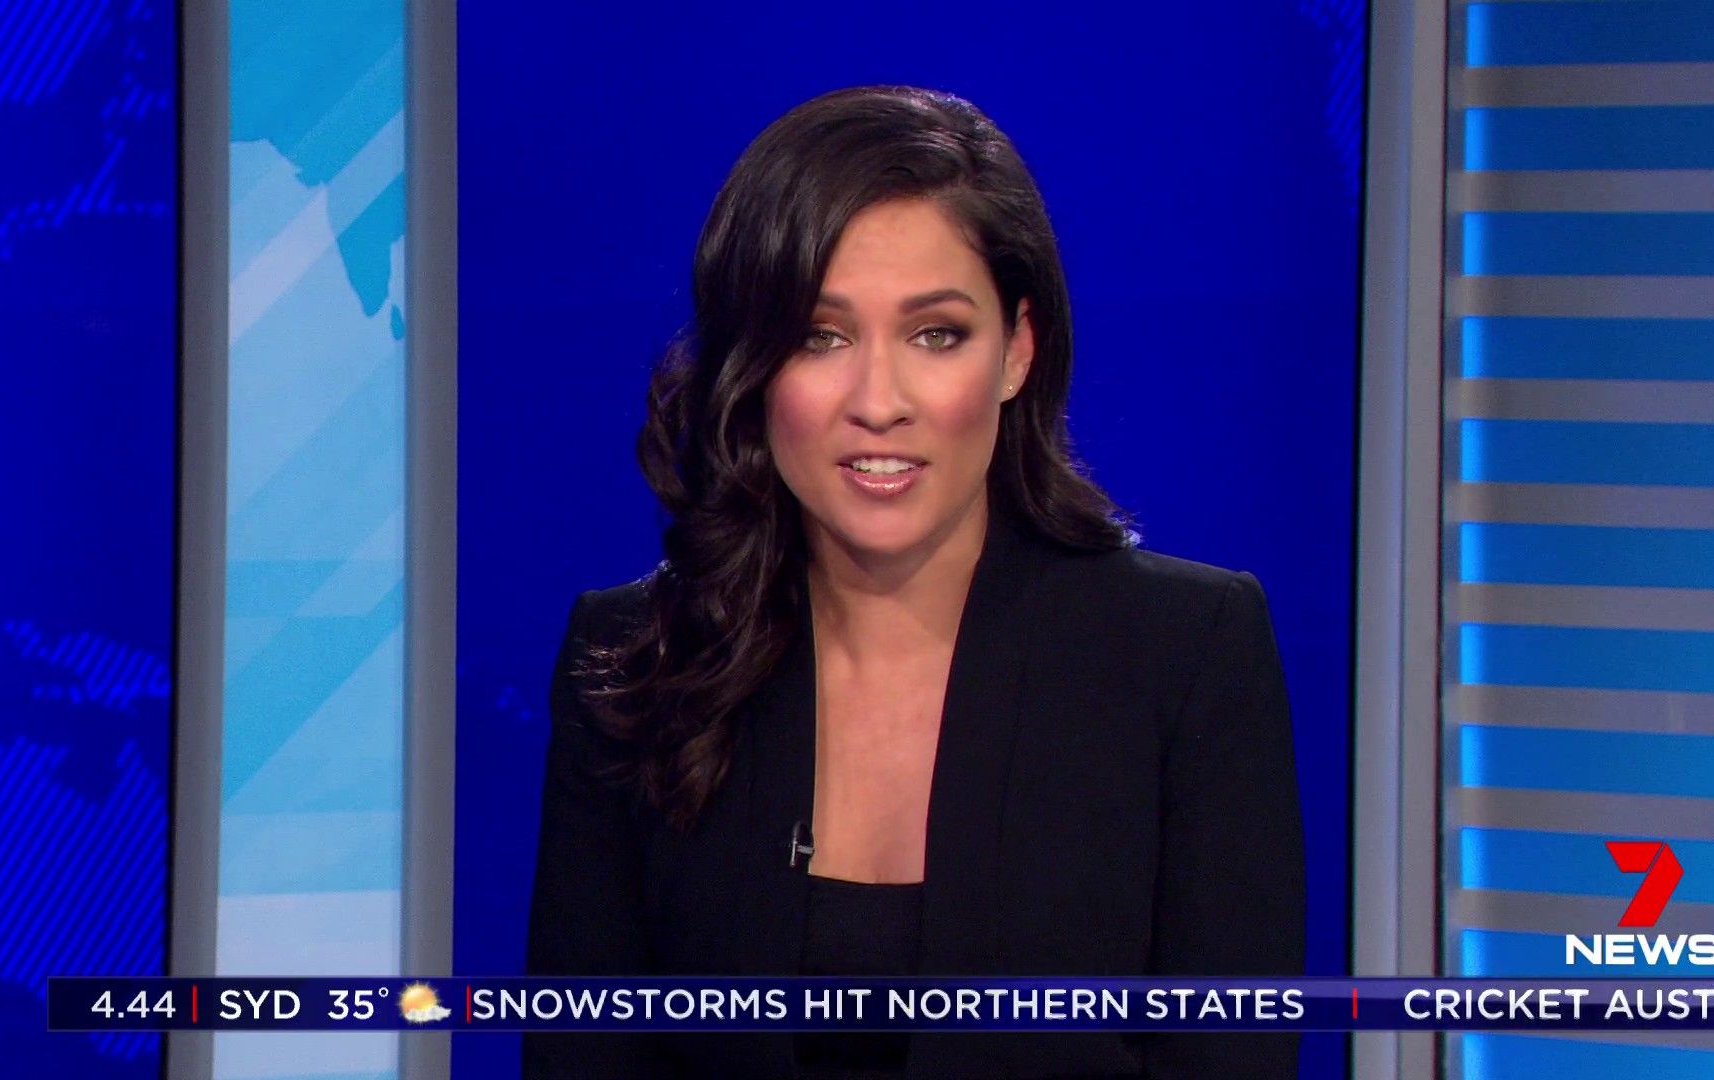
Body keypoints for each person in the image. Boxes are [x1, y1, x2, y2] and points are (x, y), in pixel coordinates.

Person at [524, 85, 1304, 1079]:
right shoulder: (635, 665)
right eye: (821, 336)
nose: (879, 401)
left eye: (936, 334)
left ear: (1018, 349)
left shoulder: (1185, 657)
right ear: (753, 369)